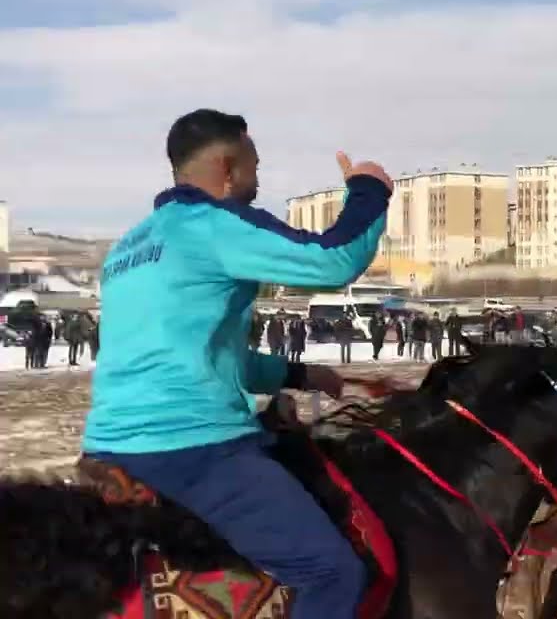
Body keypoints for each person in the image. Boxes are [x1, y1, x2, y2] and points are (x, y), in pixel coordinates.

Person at [81, 109, 392, 619]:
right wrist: (368, 189)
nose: (258, 178)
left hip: (110, 445)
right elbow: (332, 260)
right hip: (191, 448)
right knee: (333, 573)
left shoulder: (131, 245)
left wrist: (302, 375)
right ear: (229, 168)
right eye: (255, 165)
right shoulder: (213, 225)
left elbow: (204, 359)